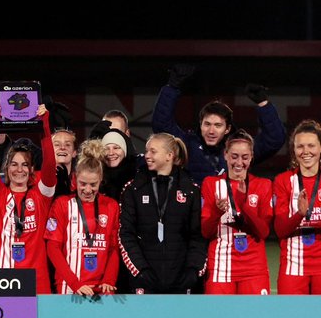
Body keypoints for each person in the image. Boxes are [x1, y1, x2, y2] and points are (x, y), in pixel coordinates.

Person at [149, 64, 286, 184]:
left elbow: (274, 139)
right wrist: (172, 87)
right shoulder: (187, 145)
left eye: (218, 125)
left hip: (232, 211)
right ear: (200, 125)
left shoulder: (240, 149)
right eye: (207, 124)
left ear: (227, 129)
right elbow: (162, 126)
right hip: (195, 212)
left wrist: (263, 104)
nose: (211, 131)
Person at [118, 133, 206, 293]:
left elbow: (198, 236)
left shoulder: (191, 191)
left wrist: (193, 271)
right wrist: (141, 270)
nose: (147, 156)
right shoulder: (133, 189)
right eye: (146, 151)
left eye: (153, 151)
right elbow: (126, 235)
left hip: (181, 280)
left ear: (169, 156)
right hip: (144, 280)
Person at [0, 102, 57, 293]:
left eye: (25, 165)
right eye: (14, 164)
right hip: (2, 280)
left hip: (36, 281)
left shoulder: (41, 195)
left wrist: (45, 127)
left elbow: (49, 165)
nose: (19, 170)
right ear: (6, 168)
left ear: (32, 169)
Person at [272, 120, 321, 295]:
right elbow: (280, 231)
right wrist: (299, 214)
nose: (306, 152)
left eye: (311, 145)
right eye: (300, 147)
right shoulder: (283, 181)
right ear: (294, 150)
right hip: (293, 265)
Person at [200, 131, 273, 295]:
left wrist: (243, 205)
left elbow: (263, 232)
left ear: (251, 157)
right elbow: (206, 232)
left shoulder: (263, 185)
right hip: (221, 266)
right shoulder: (211, 184)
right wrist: (216, 212)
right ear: (225, 155)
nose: (239, 162)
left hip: (254, 268)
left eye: (245, 157)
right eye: (234, 156)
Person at [45, 141, 120, 296]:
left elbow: (113, 249)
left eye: (93, 184)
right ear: (75, 179)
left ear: (100, 180)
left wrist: (109, 280)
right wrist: (74, 283)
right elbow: (53, 248)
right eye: (82, 184)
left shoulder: (111, 206)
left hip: (103, 289)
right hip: (70, 288)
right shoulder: (62, 204)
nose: (87, 190)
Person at [51, 128, 78, 197]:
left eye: (67, 145)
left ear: (74, 152)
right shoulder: (38, 179)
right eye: (57, 144)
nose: (62, 147)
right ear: (49, 150)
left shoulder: (81, 181)